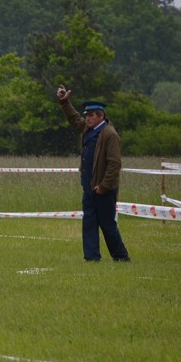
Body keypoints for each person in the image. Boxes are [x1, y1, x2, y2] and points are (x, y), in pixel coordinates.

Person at [56, 85, 130, 262]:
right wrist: (65, 102)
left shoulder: (110, 135)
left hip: (103, 189)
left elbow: (114, 164)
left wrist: (104, 186)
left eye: (91, 116)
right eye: (86, 115)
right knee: (89, 223)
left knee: (107, 225)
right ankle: (91, 258)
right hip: (89, 186)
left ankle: (121, 257)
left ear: (101, 116)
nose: (87, 118)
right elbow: (75, 120)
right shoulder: (89, 129)